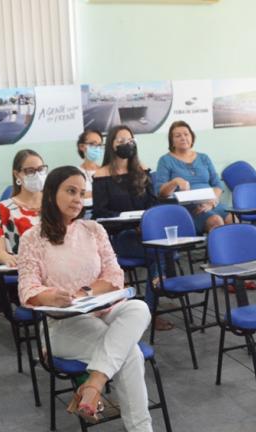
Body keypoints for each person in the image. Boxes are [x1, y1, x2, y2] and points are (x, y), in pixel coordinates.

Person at [17, 166, 173, 432]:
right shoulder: (32, 238)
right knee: (128, 353)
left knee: (139, 308)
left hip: (101, 308)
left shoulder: (93, 230)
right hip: (62, 324)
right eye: (70, 191)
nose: (77, 199)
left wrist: (86, 291)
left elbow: (115, 276)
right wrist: (51, 296)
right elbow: (27, 289)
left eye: (81, 192)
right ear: (52, 194)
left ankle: (94, 382)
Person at [93, 125, 175, 330]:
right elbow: (100, 213)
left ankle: (147, 309)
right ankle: (151, 307)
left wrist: (145, 223)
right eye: (120, 140)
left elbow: (153, 204)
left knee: (163, 251)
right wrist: (124, 219)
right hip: (119, 236)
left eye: (129, 140)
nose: (126, 144)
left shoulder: (142, 171)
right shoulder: (101, 175)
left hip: (144, 231)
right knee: (163, 254)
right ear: (111, 144)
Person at [154, 120, 235, 234]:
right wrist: (175, 182)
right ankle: (217, 251)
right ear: (172, 141)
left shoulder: (204, 158)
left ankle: (235, 251)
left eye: (186, 134)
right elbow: (160, 192)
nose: (183, 138)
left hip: (211, 203)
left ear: (192, 137)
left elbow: (217, 184)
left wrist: (212, 202)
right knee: (216, 221)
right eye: (178, 136)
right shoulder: (165, 160)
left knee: (234, 219)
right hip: (188, 208)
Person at [0, 149, 45, 267]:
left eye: (40, 169)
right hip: (26, 269)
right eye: (30, 171)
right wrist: (10, 259)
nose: (37, 175)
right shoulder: (5, 208)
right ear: (17, 174)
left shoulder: (55, 202)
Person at [76, 128, 105, 198]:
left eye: (99, 145)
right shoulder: (75, 172)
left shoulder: (105, 171)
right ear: (81, 146)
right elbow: (75, 195)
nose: (97, 148)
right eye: (92, 144)